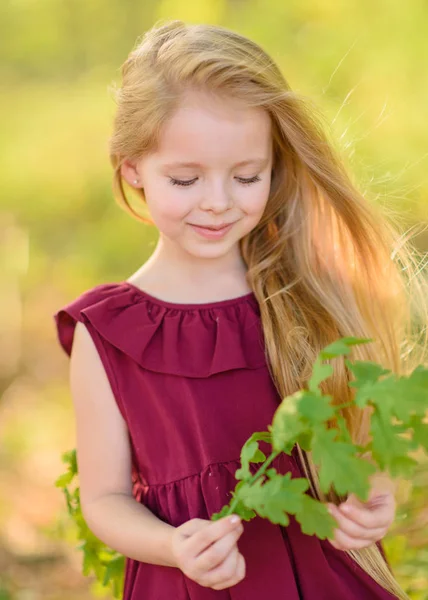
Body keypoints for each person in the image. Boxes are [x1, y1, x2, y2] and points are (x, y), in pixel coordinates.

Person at [53, 20, 427, 600]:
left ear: (273, 167)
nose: (218, 203)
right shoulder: (107, 335)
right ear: (132, 169)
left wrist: (373, 493)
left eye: (247, 176)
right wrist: (172, 546)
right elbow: (105, 500)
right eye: (184, 179)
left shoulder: (306, 292)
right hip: (192, 585)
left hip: (324, 578)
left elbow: (352, 440)